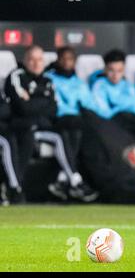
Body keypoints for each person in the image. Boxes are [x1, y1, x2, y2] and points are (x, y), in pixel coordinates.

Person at [4, 45, 98, 203]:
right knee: (24, 136)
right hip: (20, 126)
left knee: (65, 134)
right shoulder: (17, 76)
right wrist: (41, 101)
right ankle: (15, 188)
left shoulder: (47, 80)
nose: (36, 63)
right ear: (25, 60)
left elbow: (53, 109)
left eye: (39, 59)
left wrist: (33, 100)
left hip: (39, 126)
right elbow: (22, 107)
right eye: (32, 59)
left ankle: (72, 181)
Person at [44, 46, 99, 201]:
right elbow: (53, 103)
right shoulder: (49, 78)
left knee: (76, 131)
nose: (67, 62)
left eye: (70, 59)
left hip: (75, 123)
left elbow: (88, 103)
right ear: (58, 60)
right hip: (56, 119)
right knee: (73, 127)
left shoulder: (78, 82)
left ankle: (62, 179)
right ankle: (74, 181)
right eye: (63, 59)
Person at [91, 49, 135, 157]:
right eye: (111, 70)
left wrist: (119, 105)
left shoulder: (126, 84)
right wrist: (122, 106)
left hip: (132, 118)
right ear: (105, 69)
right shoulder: (99, 85)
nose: (115, 75)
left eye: (119, 70)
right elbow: (103, 112)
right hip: (114, 120)